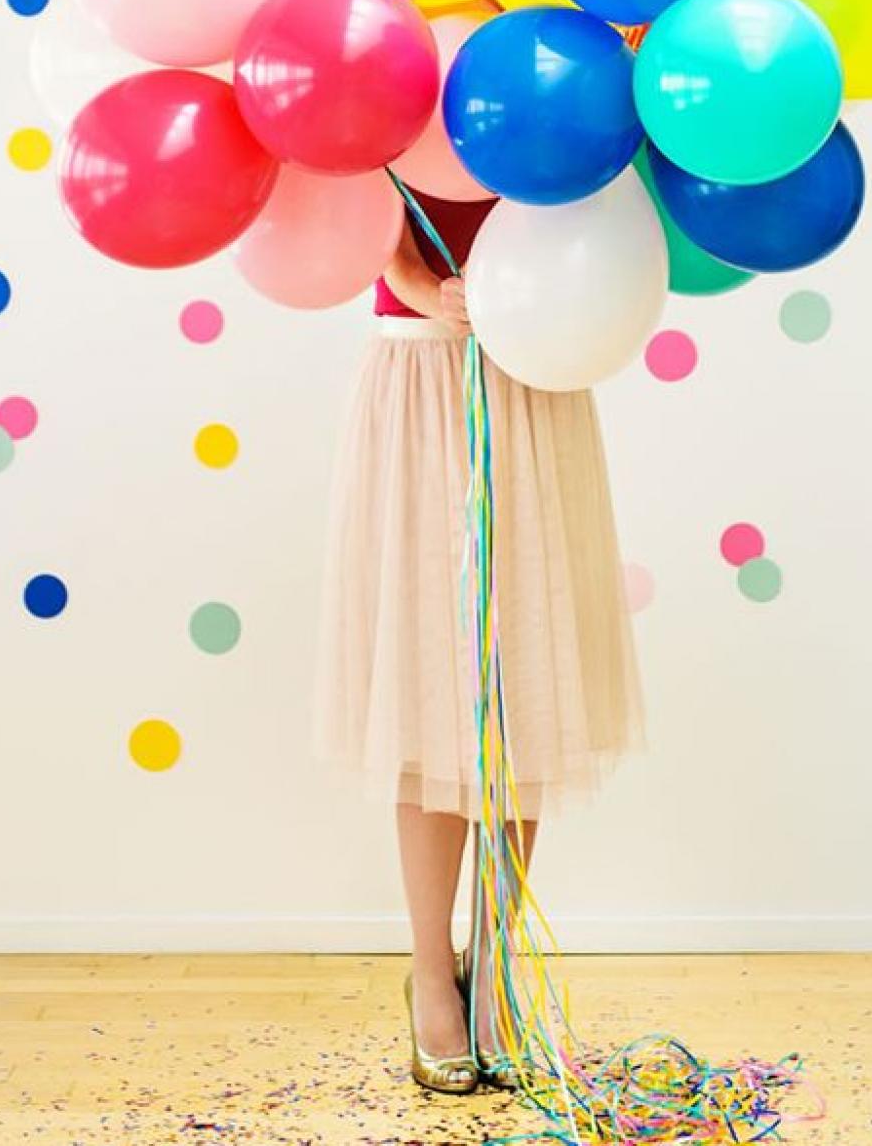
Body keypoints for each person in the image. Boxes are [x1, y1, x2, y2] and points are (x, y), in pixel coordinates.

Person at [312, 186, 645, 1093]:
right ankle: (431, 973)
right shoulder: (393, 81)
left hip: (537, 364)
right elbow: (348, 170)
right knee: (428, 681)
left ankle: (497, 965)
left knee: (525, 675)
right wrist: (417, 281)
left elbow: (587, 189)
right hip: (422, 367)